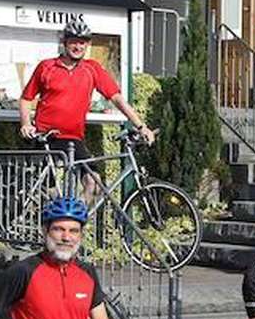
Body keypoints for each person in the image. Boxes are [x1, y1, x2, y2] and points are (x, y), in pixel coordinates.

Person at [19, 20, 155, 195]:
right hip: (46, 136)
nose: (78, 46)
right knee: (50, 191)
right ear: (64, 43)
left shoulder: (92, 69)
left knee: (93, 183)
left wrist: (141, 126)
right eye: (73, 41)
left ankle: (76, 221)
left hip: (73, 138)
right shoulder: (47, 67)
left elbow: (117, 99)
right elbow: (25, 98)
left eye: (82, 42)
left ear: (88, 44)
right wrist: (26, 123)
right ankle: (54, 221)